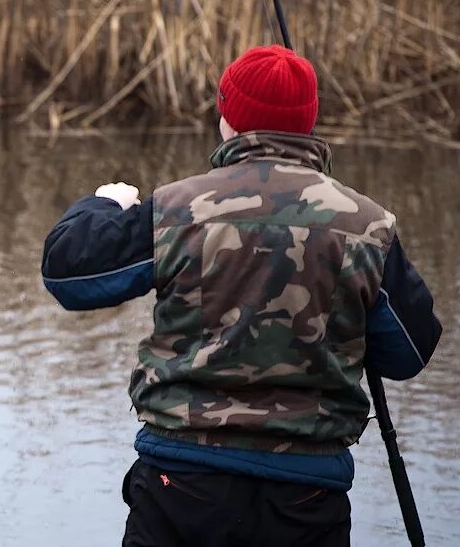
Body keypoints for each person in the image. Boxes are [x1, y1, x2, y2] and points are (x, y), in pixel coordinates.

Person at [41, 45, 442, 547]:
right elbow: (410, 351)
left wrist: (102, 204)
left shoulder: (179, 208)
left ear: (227, 116)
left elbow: (68, 276)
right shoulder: (368, 226)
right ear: (309, 121)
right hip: (308, 499)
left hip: (181, 488)